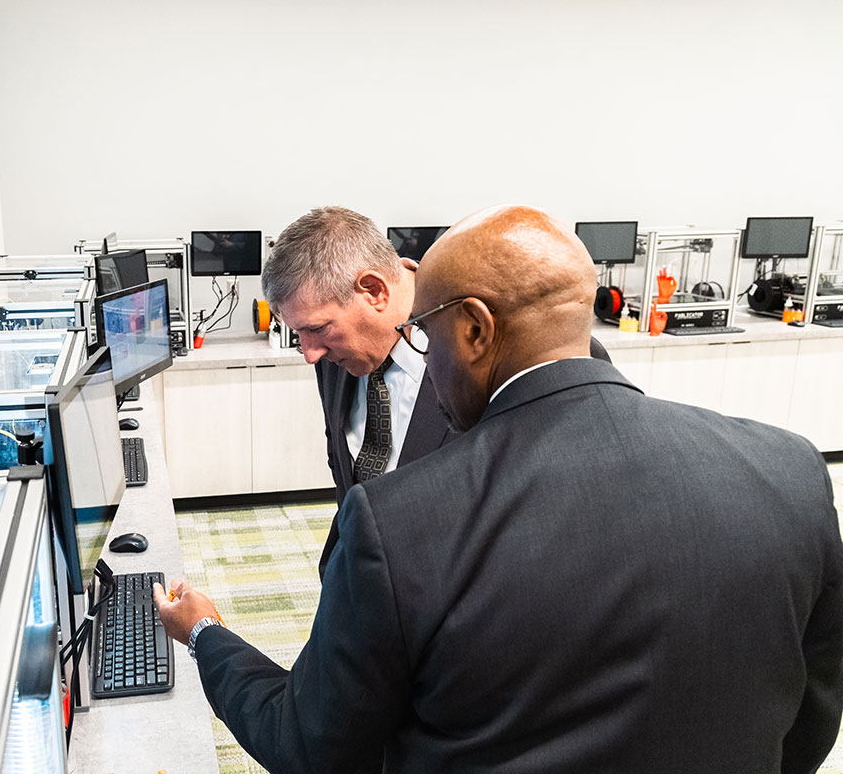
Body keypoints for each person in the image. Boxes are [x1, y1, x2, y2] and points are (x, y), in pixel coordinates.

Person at [155, 205, 843, 773]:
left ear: (476, 329)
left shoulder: (407, 529)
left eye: (428, 331)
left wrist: (207, 633)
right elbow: (809, 717)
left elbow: (310, 744)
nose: (417, 346)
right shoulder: (793, 471)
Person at [260, 206, 609, 578]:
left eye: (317, 329)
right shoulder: (339, 353)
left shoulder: (502, 347)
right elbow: (346, 468)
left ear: (374, 291)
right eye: (300, 334)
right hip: (365, 586)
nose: (310, 354)